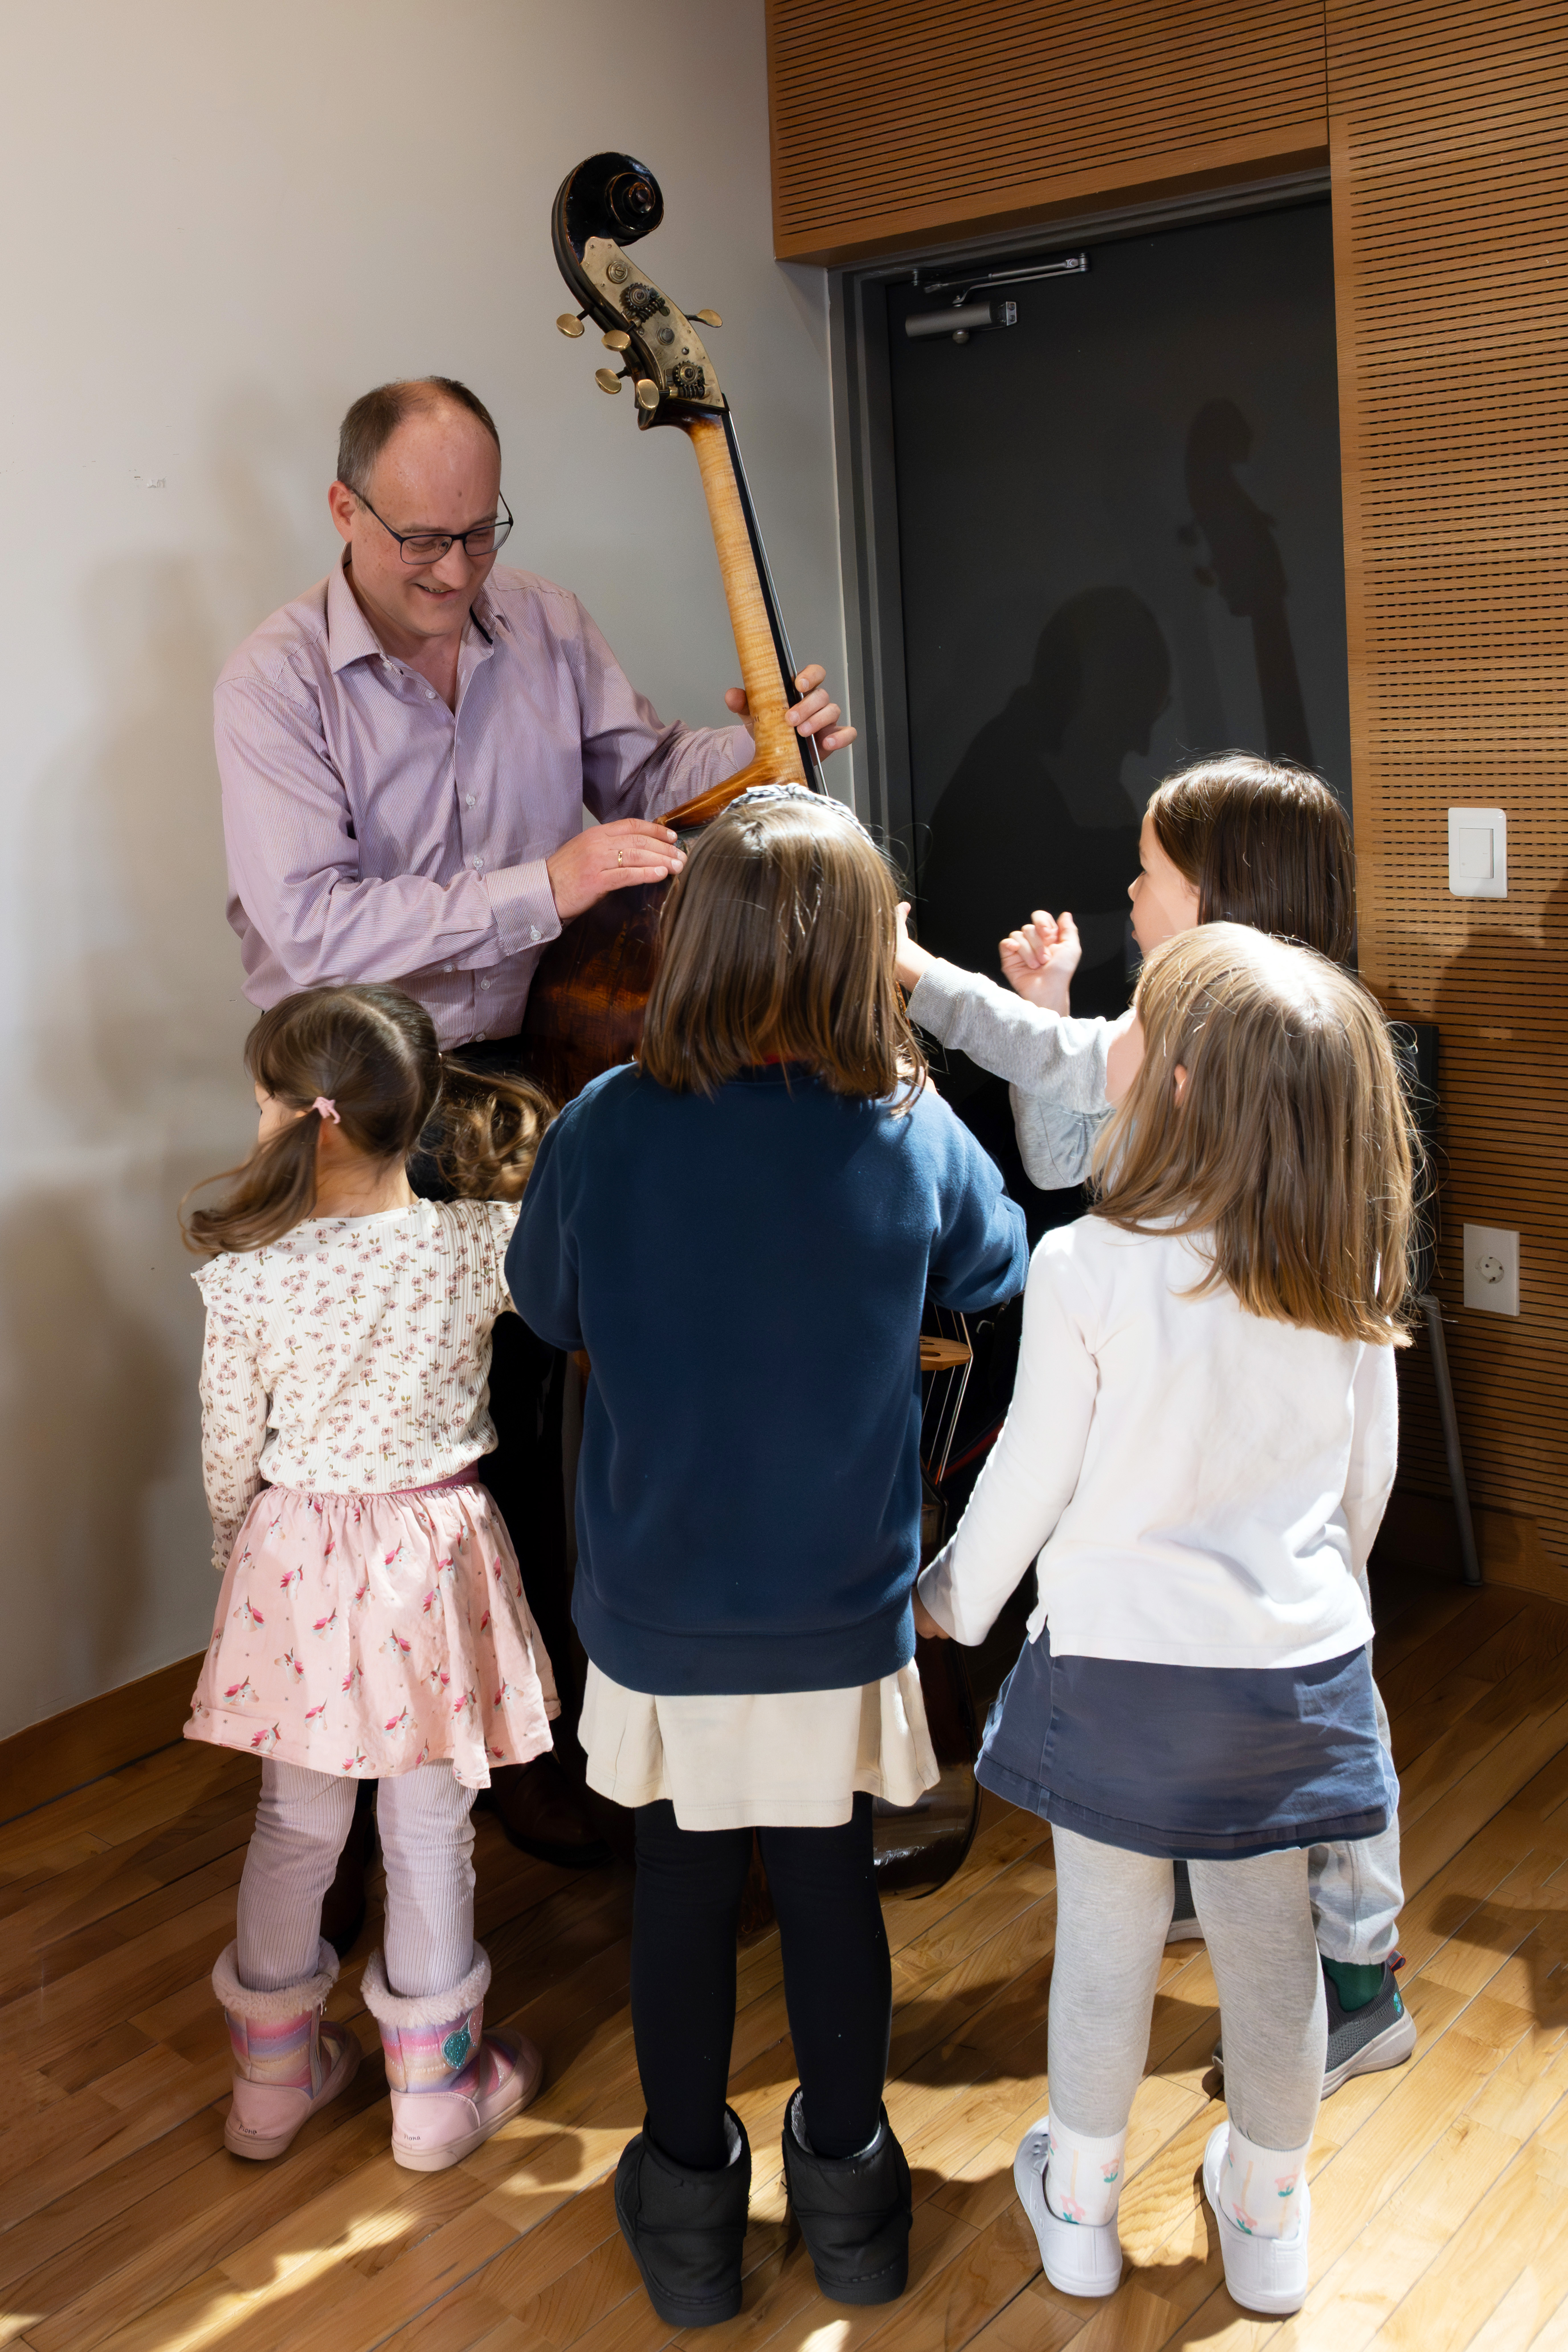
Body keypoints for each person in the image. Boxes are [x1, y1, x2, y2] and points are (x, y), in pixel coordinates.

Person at [213, 372, 855, 1876]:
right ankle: (369, 1800)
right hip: (361, 1098)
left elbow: (646, 781)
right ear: (344, 512)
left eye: (480, 535)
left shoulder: (546, 624)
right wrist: (538, 890)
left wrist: (763, 743)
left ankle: (550, 1742)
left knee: (557, 1417)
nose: (456, 575)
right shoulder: (275, 682)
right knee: (393, 1468)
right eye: (421, 542)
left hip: (541, 1070)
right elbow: (311, 939)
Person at [508, 785, 1028, 2328]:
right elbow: (994, 1265)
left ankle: (687, 2217)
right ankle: (854, 2200)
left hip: (664, 1604)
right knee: (826, 1889)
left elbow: (547, 1310)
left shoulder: (606, 1126)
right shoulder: (901, 1123)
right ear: (871, 957)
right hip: (834, 1604)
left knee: (675, 1887)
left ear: (695, 946)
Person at [916, 924, 1414, 2316]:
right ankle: (1263, 2214)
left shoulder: (1089, 1266)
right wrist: (1305, 1614)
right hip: (1286, 1677)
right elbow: (1360, 1490)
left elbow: (1030, 1476)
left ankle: (1076, 2204)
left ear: (1181, 1085)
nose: (1105, 1042)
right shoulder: (1345, 1268)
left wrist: (950, 1598)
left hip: (1120, 1683)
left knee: (1107, 1936)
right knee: (1270, 1948)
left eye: (1128, 1022)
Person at [183, 983, 558, 2172]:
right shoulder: (477, 1243)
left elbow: (223, 1443)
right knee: (429, 1828)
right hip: (430, 1558)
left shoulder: (249, 1273)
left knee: (295, 1826)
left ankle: (270, 2093)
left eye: (263, 1106)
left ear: (318, 1121)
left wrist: (232, 1557)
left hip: (293, 1559)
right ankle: (434, 2102)